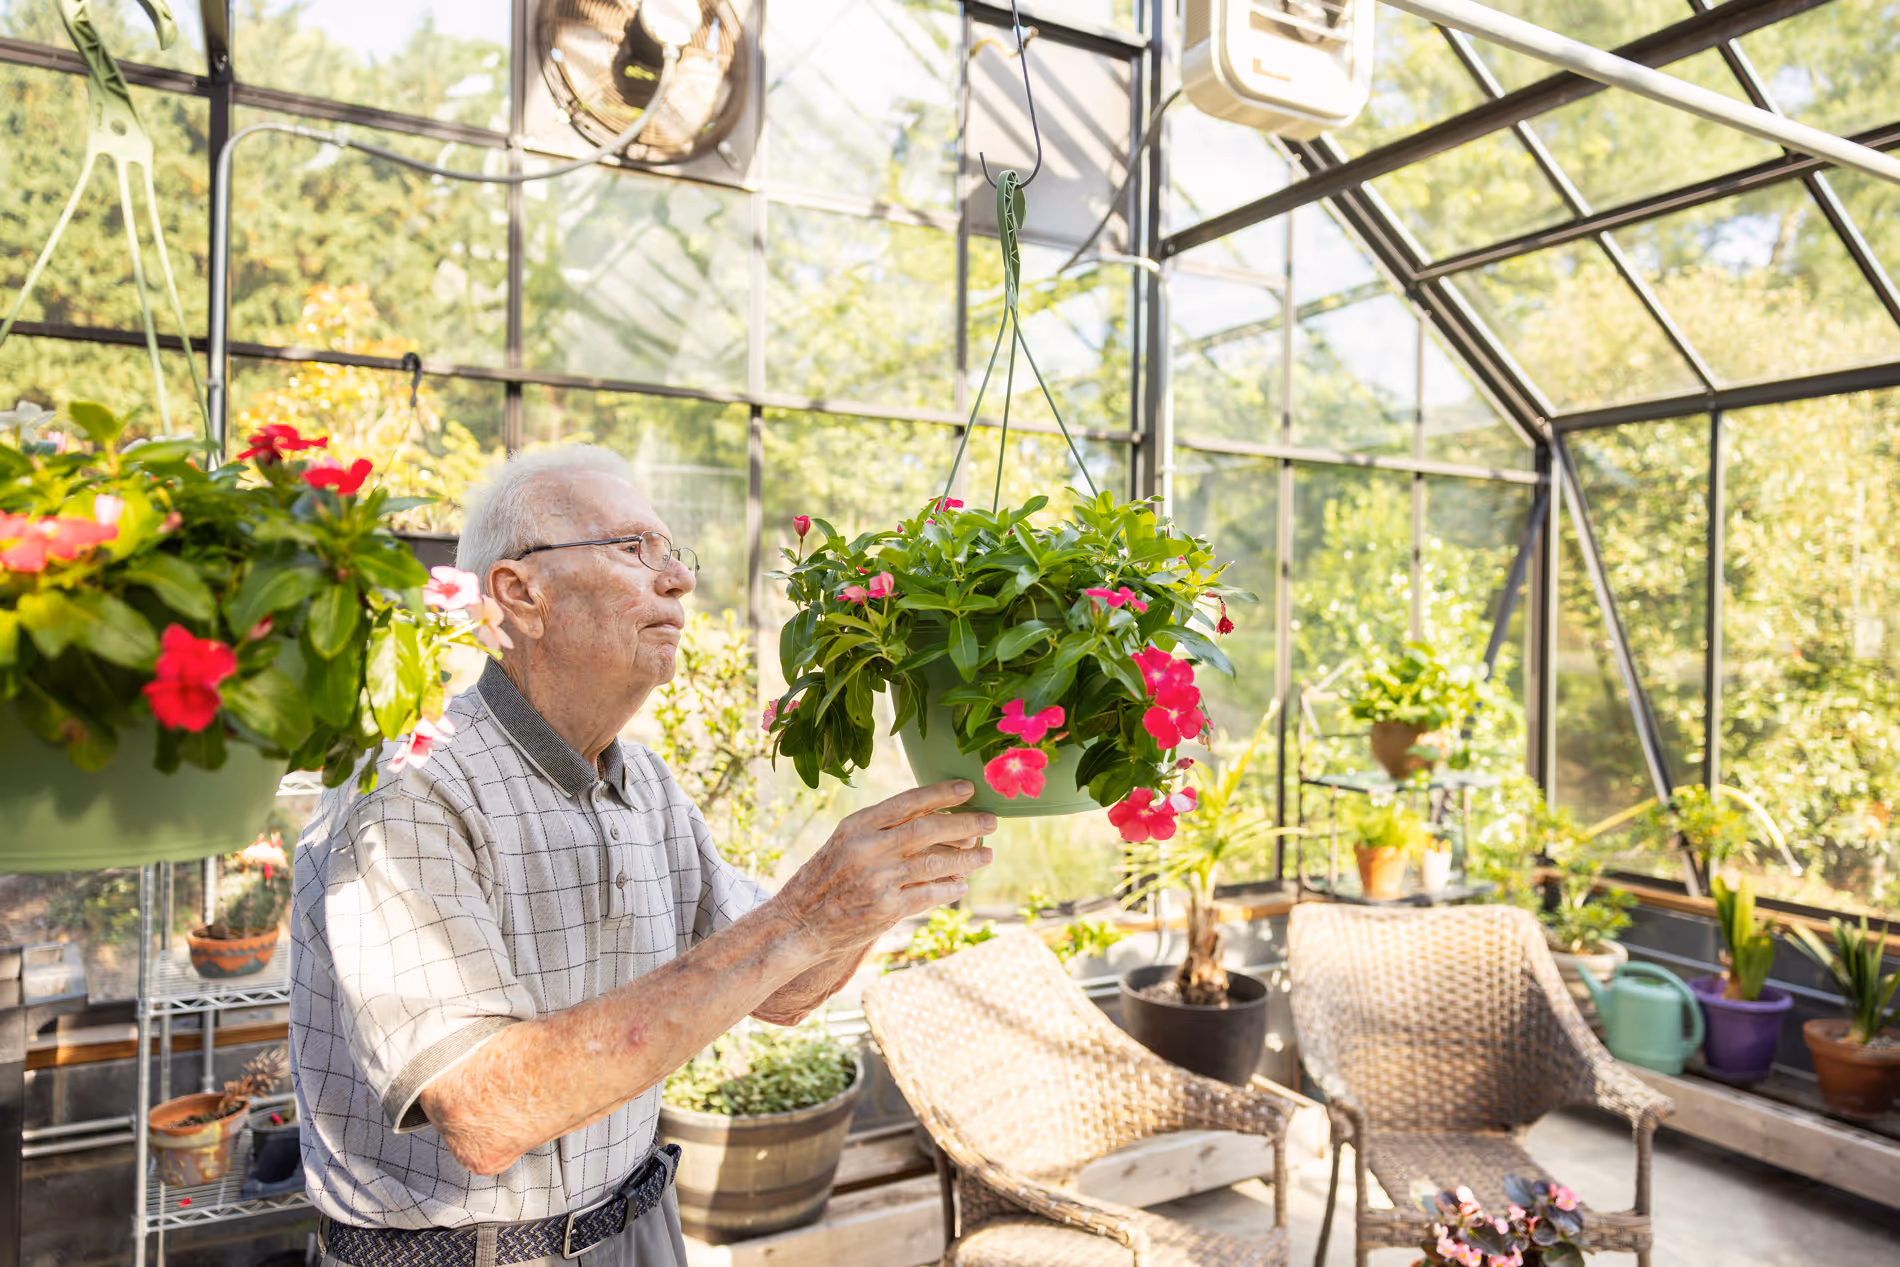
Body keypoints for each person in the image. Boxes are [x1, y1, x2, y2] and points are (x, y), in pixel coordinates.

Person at [289, 444, 993, 1267]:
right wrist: (804, 912)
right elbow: (484, 1113)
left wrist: (878, 892)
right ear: (520, 594)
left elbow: (787, 988)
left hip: (639, 1232)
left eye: (671, 552)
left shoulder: (644, 783)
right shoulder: (409, 788)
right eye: (633, 549)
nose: (679, 580)